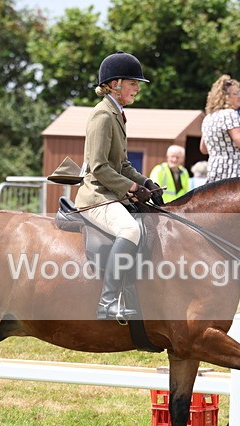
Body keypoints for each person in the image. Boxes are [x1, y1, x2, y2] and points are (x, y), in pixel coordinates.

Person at [74, 51, 162, 320]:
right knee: (130, 229)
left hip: (112, 193)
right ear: (115, 84)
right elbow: (99, 167)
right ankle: (108, 301)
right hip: (96, 197)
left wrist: (145, 181)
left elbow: (121, 165)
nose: (137, 88)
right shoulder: (102, 116)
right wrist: (132, 189)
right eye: (133, 82)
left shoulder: (117, 114)